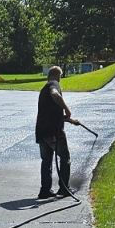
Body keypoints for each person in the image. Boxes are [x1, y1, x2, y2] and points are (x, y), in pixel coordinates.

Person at [35, 65, 80, 200]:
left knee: (46, 160)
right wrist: (67, 109)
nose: (60, 80)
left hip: (42, 131)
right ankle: (64, 188)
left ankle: (45, 190)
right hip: (54, 132)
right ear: (56, 75)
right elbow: (55, 94)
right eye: (59, 77)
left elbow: (52, 114)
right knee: (65, 158)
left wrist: (70, 120)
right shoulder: (53, 85)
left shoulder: (43, 90)